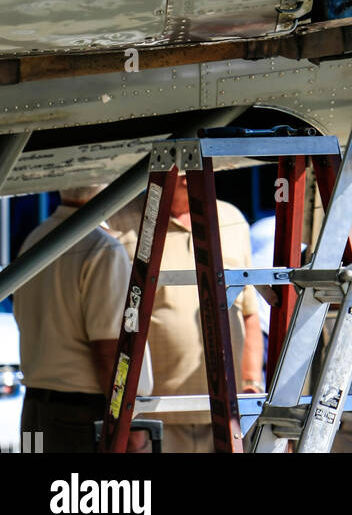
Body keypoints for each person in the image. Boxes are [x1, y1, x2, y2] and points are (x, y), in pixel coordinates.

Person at [109, 174, 263, 453]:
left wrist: (251, 382)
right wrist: (126, 417)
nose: (184, 175)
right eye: (177, 167)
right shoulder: (120, 223)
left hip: (227, 412)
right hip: (156, 414)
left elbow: (249, 311)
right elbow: (111, 327)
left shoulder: (231, 219)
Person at [13, 185, 149, 453]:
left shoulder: (34, 240)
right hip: (80, 417)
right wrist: (128, 429)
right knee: (89, 496)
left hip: (34, 410)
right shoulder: (102, 248)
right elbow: (109, 352)